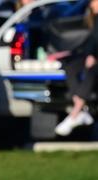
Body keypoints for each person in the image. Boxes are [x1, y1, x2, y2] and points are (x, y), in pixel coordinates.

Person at [54, 0, 98, 136]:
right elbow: (89, 42)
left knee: (91, 70)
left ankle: (75, 114)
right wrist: (68, 53)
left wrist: (93, 55)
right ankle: (81, 108)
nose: (93, 4)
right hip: (91, 54)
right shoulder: (93, 20)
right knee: (71, 66)